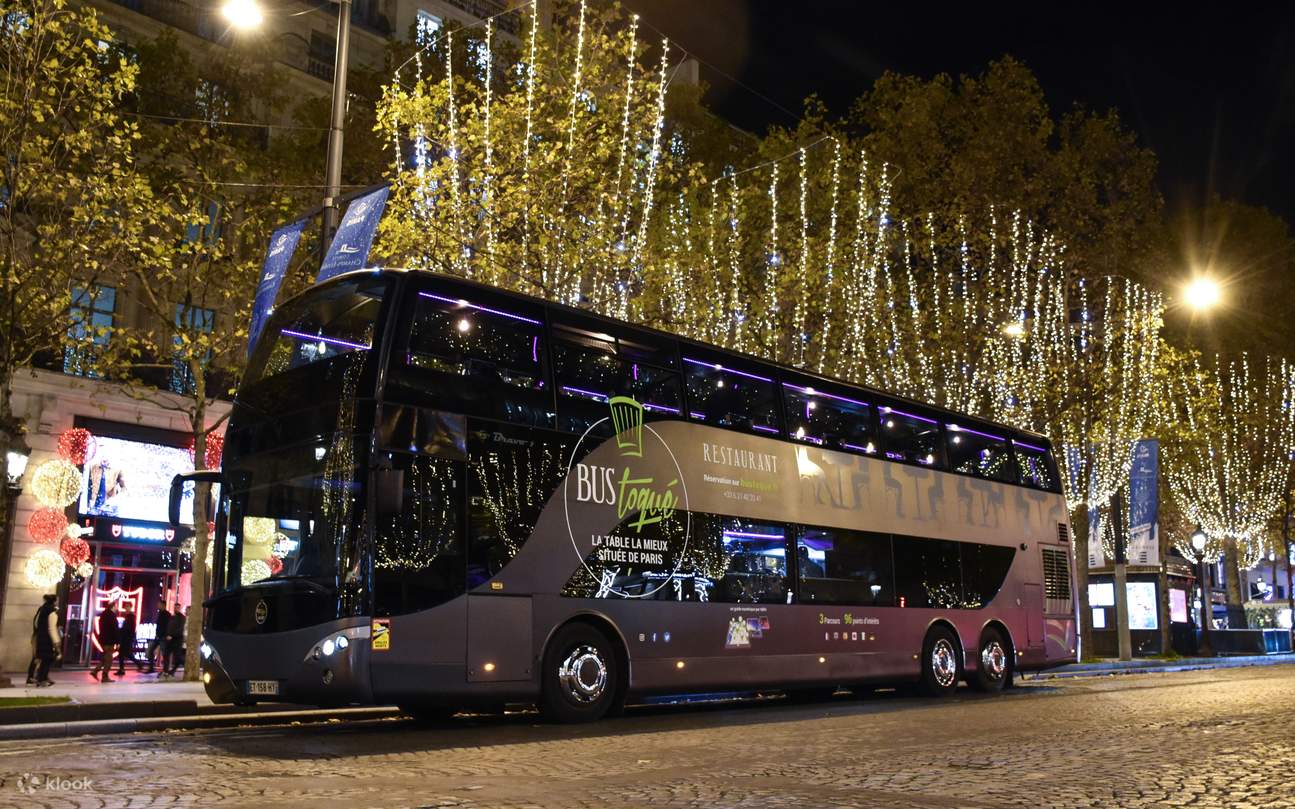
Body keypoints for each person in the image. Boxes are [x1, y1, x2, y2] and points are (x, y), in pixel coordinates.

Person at [25, 595, 60, 687]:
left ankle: (36, 677)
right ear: (54, 601)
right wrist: (56, 641)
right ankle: (41, 678)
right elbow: (52, 628)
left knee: (38, 657)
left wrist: (37, 632)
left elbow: (36, 622)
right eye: (57, 600)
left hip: (38, 636)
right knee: (47, 659)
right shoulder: (52, 612)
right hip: (46, 639)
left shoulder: (42, 609)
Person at [93, 600, 119, 683]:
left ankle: (95, 671)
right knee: (109, 659)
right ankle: (105, 676)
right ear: (113, 606)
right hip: (109, 641)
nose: (117, 608)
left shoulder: (103, 615)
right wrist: (117, 642)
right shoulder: (112, 616)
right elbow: (114, 630)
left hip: (103, 639)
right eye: (116, 606)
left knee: (105, 657)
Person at [146, 604, 171, 674]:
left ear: (163, 605)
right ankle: (151, 667)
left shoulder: (166, 614)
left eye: (159, 605)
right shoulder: (160, 613)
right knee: (151, 650)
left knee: (164, 653)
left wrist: (167, 634)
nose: (158, 606)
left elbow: (167, 626)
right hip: (158, 636)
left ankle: (165, 670)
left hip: (163, 637)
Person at [115, 605, 138, 676]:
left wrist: (120, 631)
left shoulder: (131, 617)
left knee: (125, 654)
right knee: (123, 654)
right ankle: (122, 669)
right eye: (125, 607)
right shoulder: (128, 616)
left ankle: (122, 669)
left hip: (127, 638)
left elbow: (129, 629)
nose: (126, 609)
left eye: (127, 607)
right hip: (126, 638)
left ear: (130, 608)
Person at [163, 608, 186, 676]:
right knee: (166, 654)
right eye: (175, 607)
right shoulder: (172, 617)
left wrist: (172, 635)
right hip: (171, 639)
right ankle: (166, 671)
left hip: (177, 640)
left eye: (177, 607)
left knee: (177, 657)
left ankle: (186, 665)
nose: (176, 609)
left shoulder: (181, 618)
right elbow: (168, 627)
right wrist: (167, 635)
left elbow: (180, 629)